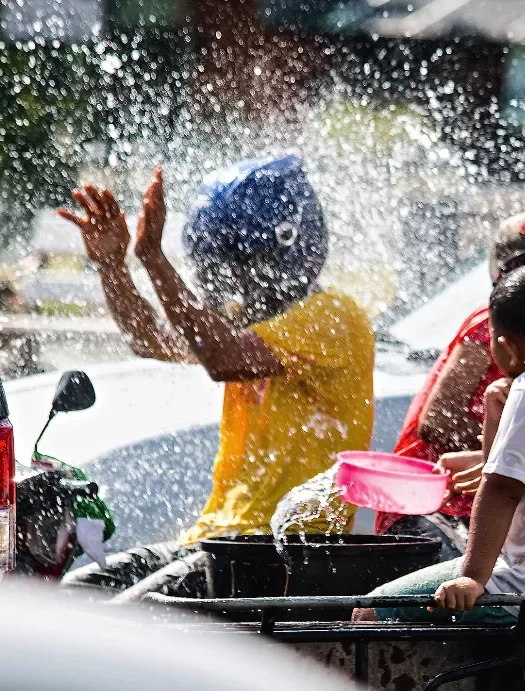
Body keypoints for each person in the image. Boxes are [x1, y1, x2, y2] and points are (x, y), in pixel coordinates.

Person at [58, 155, 375, 594]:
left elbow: (221, 357)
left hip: (276, 551)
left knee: (121, 625)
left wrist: (152, 258)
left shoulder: (333, 317)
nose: (235, 282)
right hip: (217, 540)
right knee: (76, 594)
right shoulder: (250, 318)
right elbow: (150, 340)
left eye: (244, 265)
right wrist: (113, 266)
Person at [355, 264, 525, 623]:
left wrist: (472, 579)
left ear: (505, 348)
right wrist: (496, 415)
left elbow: (501, 489)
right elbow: (513, 468)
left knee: (371, 609)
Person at [377, 212, 525, 558]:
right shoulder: (490, 325)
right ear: (505, 280)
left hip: (485, 507)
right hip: (436, 509)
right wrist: (508, 453)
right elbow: (437, 422)